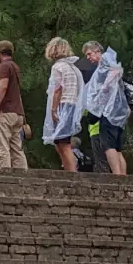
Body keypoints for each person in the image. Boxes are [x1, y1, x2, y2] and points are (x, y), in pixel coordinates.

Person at [81, 41, 130, 176]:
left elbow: (115, 71)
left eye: (89, 54)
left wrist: (104, 87)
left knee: (109, 146)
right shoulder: (103, 65)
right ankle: (122, 175)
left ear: (97, 50)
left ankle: (117, 175)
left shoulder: (106, 60)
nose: (89, 58)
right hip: (118, 113)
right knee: (118, 148)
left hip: (109, 111)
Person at [0, 40, 29, 169]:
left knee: (2, 146)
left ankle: (5, 176)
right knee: (17, 148)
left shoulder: (4, 67)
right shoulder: (14, 66)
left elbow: (2, 87)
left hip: (5, 112)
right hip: (17, 113)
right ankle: (23, 174)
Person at [42, 38, 83, 172]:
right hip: (72, 105)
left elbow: (58, 89)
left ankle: (72, 173)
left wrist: (54, 110)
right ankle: (69, 170)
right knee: (60, 143)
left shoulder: (58, 67)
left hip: (63, 106)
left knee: (63, 144)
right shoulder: (72, 68)